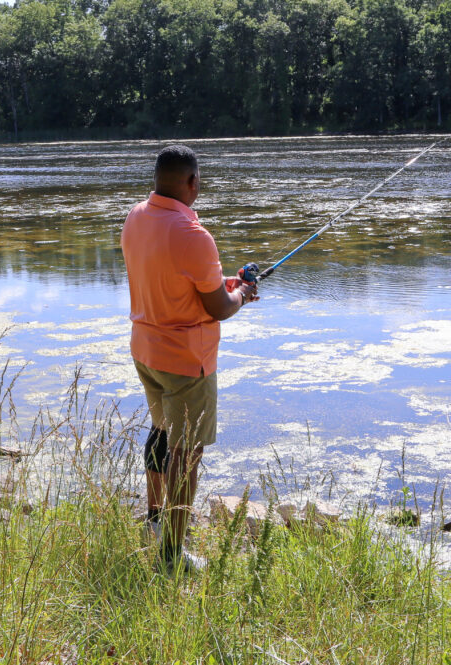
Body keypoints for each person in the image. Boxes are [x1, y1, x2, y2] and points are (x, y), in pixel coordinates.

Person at [121, 144, 258, 574]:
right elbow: (218, 308)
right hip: (185, 362)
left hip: (146, 351)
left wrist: (224, 283)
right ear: (193, 182)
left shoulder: (135, 217)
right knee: (187, 454)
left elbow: (179, 282)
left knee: (162, 432)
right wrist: (242, 293)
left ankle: (155, 520)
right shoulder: (194, 236)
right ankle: (172, 556)